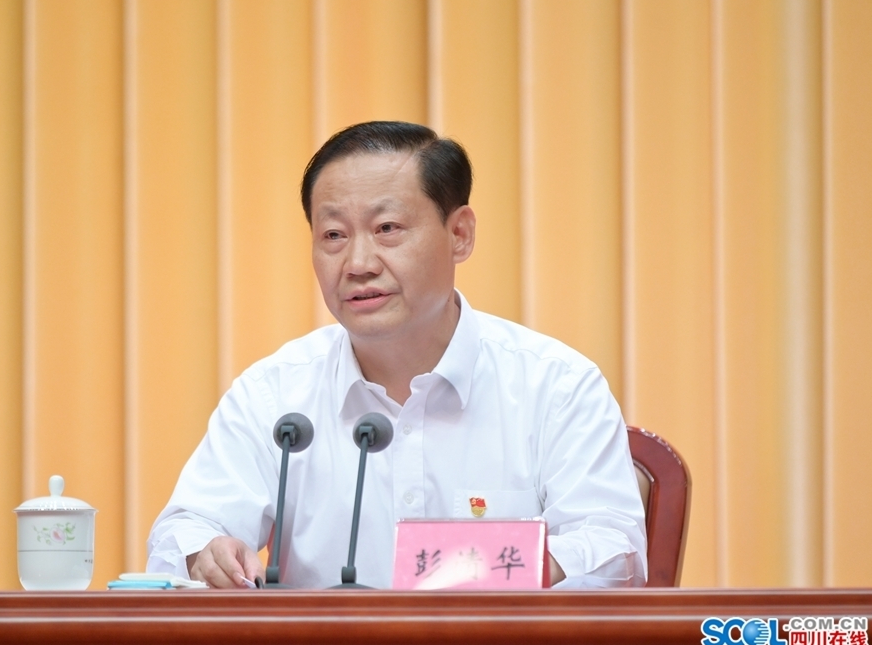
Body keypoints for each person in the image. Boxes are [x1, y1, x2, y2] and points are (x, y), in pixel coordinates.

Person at [147, 121, 647, 589]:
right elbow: (184, 531)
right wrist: (205, 554)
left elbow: (614, 552)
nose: (359, 263)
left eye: (387, 228)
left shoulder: (556, 387)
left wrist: (479, 566)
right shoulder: (274, 395)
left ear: (459, 235)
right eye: (334, 236)